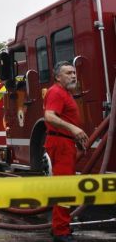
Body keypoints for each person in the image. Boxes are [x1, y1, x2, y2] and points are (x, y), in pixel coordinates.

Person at [43, 61, 89, 242]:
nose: (73, 76)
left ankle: (60, 227)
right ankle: (61, 232)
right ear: (57, 77)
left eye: (74, 73)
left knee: (64, 186)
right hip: (60, 144)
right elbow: (49, 116)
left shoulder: (65, 93)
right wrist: (73, 129)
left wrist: (75, 140)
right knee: (63, 188)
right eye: (68, 73)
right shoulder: (56, 92)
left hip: (65, 143)